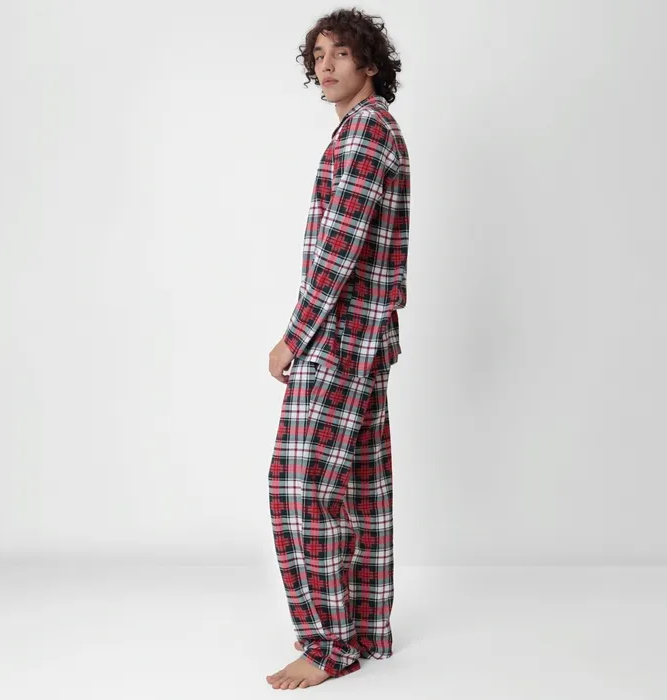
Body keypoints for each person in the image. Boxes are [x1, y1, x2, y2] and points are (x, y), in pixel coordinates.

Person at [266, 7, 409, 690]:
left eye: (340, 53)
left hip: (339, 338)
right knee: (355, 489)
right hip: (363, 337)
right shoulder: (370, 130)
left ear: (369, 63)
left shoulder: (365, 133)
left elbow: (339, 251)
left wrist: (294, 336)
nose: (325, 65)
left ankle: (328, 647)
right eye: (318, 55)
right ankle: (363, 632)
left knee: (300, 491)